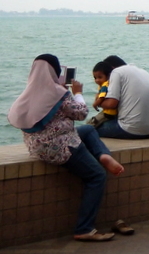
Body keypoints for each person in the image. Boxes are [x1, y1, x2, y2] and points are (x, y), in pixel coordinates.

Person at [8, 54, 125, 241]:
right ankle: (84, 228)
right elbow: (81, 113)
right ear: (55, 71)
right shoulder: (59, 94)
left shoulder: (29, 92)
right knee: (97, 176)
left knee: (88, 130)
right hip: (61, 148)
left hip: (37, 148)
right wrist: (77, 93)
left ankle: (103, 154)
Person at [95, 55, 149, 139]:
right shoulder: (143, 71)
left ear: (111, 69)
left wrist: (98, 101)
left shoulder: (116, 72)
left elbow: (111, 104)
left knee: (89, 130)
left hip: (131, 130)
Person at [88, 61, 117, 127]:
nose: (97, 80)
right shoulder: (106, 84)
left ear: (108, 76)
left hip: (108, 113)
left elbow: (101, 98)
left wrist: (95, 104)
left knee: (91, 124)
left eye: (100, 77)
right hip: (109, 112)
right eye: (95, 78)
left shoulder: (105, 85)